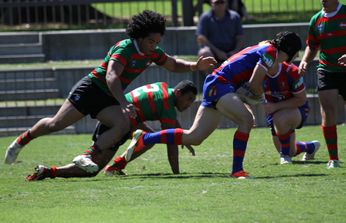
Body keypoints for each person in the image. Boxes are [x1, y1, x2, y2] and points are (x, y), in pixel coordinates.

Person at [4, 10, 216, 166]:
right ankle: (21, 141)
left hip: (109, 97)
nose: (154, 45)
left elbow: (172, 64)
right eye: (151, 41)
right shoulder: (125, 48)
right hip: (91, 89)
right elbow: (112, 77)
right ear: (140, 36)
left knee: (123, 124)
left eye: (157, 42)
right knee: (55, 124)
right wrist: (124, 104)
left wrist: (194, 66)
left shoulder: (152, 52)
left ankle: (86, 156)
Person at [119, 31, 302, 179]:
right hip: (221, 83)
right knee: (246, 120)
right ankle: (237, 170)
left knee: (194, 137)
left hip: (218, 83)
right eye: (295, 54)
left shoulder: (267, 47)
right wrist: (257, 98)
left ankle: (145, 139)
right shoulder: (271, 52)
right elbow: (255, 83)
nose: (294, 59)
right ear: (291, 50)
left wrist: (248, 96)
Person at [26, 80, 197, 181]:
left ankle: (49, 171)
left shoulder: (164, 90)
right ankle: (49, 171)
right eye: (188, 99)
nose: (189, 104)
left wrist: (184, 136)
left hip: (119, 118)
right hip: (119, 123)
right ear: (179, 93)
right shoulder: (167, 103)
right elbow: (171, 143)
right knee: (91, 169)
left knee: (146, 139)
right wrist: (176, 174)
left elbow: (172, 127)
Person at [298, 0, 346, 169]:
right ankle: (333, 158)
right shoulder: (316, 19)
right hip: (326, 70)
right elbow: (313, 45)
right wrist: (304, 60)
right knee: (328, 110)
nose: (322, 0)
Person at [263, 61, 320, 164]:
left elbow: (301, 99)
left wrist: (275, 106)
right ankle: (311, 147)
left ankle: (284, 156)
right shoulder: (258, 72)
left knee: (281, 118)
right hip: (274, 112)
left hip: (298, 108)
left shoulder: (291, 71)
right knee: (291, 151)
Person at [196, 0, 244, 66]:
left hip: (232, 52)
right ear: (211, 3)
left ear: (226, 3)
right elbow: (201, 38)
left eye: (222, 2)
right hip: (213, 52)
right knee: (204, 53)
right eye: (217, 2)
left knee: (245, 54)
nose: (219, 5)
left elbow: (240, 38)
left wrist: (234, 52)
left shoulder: (235, 16)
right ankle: (212, 76)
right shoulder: (205, 17)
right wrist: (218, 52)